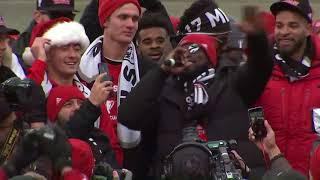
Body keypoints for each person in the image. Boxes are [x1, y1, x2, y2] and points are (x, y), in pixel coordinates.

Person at [118, 5, 273, 179]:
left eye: (198, 49)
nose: (189, 54)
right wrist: (162, 71)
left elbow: (261, 67)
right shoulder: (164, 90)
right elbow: (128, 116)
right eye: (186, 49)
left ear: (212, 55)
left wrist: (257, 39)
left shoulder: (232, 82)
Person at [78, 0, 174, 177]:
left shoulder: (149, 71)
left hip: (138, 168)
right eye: (123, 17)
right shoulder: (80, 68)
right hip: (92, 167)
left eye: (134, 18)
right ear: (105, 20)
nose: (130, 24)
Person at [25, 17, 123, 165]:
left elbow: (111, 146)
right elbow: (26, 98)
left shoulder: (90, 94)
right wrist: (39, 61)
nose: (73, 55)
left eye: (77, 49)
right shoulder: (38, 88)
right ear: (47, 53)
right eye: (64, 48)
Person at [255, 0, 320, 175]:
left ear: (308, 28)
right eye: (279, 25)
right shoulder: (260, 70)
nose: (284, 32)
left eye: (292, 25)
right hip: (269, 174)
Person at [46, 77, 119, 168]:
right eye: (68, 104)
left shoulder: (99, 136)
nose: (77, 107)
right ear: (55, 114)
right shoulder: (49, 140)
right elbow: (71, 132)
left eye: (80, 103)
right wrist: (91, 104)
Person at [12, 0, 78, 68]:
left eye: (68, 17)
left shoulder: (79, 44)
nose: (62, 22)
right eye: (55, 16)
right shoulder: (17, 52)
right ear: (38, 17)